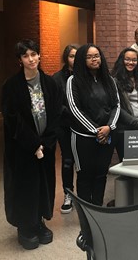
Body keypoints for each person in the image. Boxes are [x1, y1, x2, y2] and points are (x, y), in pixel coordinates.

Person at [2, 40, 62, 250]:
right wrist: (33, 144)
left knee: (43, 185)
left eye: (34, 54)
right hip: (22, 148)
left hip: (45, 146)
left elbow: (56, 115)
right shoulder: (11, 86)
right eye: (25, 56)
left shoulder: (50, 83)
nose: (31, 59)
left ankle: (39, 221)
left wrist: (45, 144)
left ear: (39, 56)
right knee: (24, 186)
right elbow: (12, 119)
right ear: (20, 60)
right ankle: (25, 226)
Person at [66, 44, 120, 206]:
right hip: (84, 138)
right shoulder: (73, 80)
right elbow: (75, 109)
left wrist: (109, 127)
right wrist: (97, 131)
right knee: (85, 176)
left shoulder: (109, 80)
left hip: (107, 135)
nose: (94, 59)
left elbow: (116, 105)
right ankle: (86, 213)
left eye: (96, 56)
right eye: (89, 57)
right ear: (82, 60)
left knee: (101, 174)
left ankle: (97, 208)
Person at [52, 44, 79, 214]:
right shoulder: (56, 78)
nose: (74, 59)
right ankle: (68, 194)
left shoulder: (87, 76)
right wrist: (72, 114)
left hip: (85, 127)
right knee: (68, 161)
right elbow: (55, 103)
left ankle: (82, 195)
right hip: (65, 126)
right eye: (71, 56)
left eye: (77, 56)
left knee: (83, 161)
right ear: (66, 58)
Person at [111, 47, 138, 161]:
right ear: (122, 60)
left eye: (134, 60)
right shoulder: (115, 81)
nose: (131, 62)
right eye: (127, 59)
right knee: (127, 162)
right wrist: (133, 121)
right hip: (124, 129)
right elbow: (115, 106)